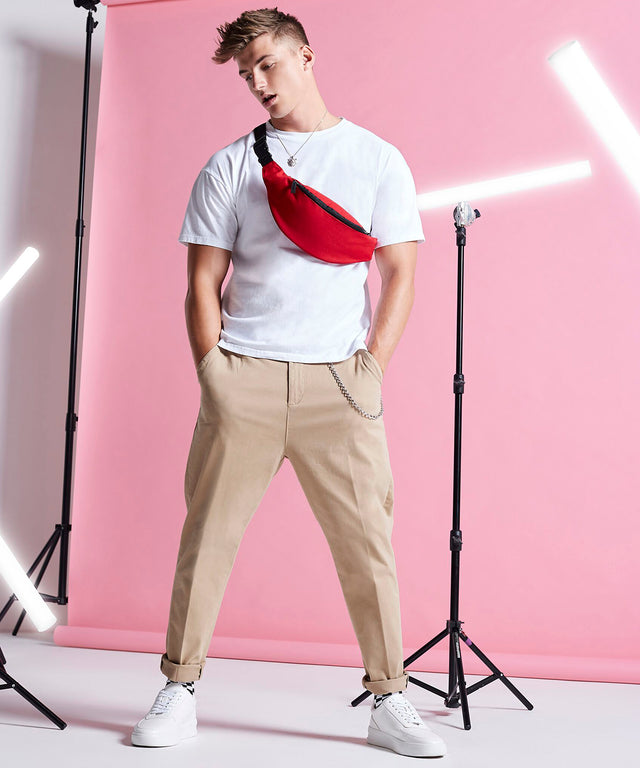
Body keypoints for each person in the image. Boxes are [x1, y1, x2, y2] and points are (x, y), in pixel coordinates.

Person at [131, 7, 446, 758]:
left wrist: (371, 368)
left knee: (368, 546)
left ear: (306, 55)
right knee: (207, 539)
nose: (259, 83)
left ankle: (390, 698)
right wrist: (214, 373)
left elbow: (401, 273)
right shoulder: (230, 166)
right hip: (244, 376)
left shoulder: (376, 160)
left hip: (340, 384)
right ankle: (179, 689)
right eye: (247, 75)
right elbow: (202, 283)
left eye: (268, 64)